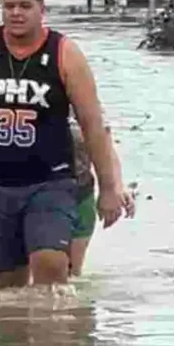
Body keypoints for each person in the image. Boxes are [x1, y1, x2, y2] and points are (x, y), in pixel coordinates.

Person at [0, 0, 129, 289]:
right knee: (8, 284)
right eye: (9, 6)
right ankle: (17, 336)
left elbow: (93, 124)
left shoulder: (64, 51)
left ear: (42, 9)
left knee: (50, 264)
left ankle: (54, 336)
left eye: (25, 6)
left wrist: (108, 187)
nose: (16, 13)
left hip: (51, 181)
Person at [68, 114, 135, 276]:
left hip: (80, 193)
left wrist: (116, 188)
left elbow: (107, 148)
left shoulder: (86, 102)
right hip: (35, 193)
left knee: (71, 277)